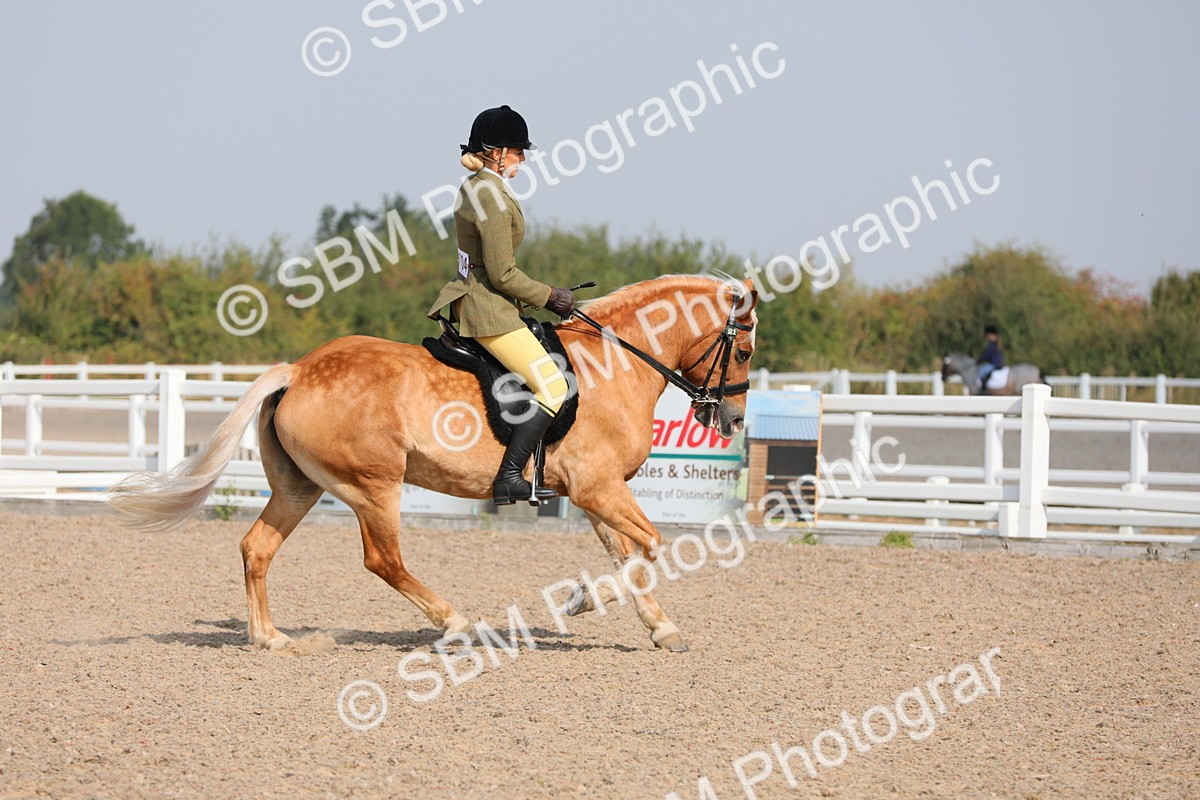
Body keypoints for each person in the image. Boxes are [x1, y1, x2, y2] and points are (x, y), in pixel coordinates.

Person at [427, 105, 577, 505]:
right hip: (487, 310)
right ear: (497, 152)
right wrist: (552, 297)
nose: (523, 159)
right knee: (553, 385)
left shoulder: (479, 186)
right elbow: (502, 274)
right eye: (518, 151)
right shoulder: (488, 195)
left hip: (485, 301)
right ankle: (510, 475)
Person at [977, 324, 1005, 394]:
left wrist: (980, 359)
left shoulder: (992, 344)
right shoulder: (996, 343)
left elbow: (988, 354)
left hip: (994, 364)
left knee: (982, 372)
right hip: (997, 363)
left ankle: (984, 389)